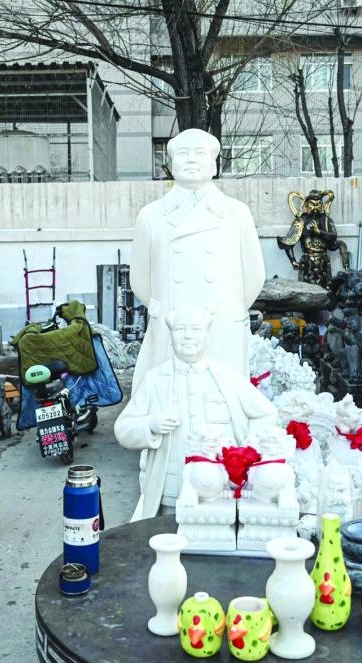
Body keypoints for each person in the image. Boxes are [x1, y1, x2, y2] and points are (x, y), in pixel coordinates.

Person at [129, 129, 266, 388]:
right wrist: (165, 308)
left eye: (200, 153)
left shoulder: (237, 213)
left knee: (222, 402)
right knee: (171, 402)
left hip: (220, 328)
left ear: (214, 163)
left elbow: (254, 275)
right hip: (173, 328)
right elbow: (140, 280)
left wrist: (230, 309)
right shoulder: (151, 216)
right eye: (183, 153)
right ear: (171, 163)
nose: (191, 159)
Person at [114, 305, 277, 521]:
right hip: (169, 493)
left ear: (207, 336)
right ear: (171, 336)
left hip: (222, 490)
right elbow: (123, 428)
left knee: (216, 545)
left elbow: (266, 414)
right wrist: (150, 424)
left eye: (196, 329)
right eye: (180, 329)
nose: (188, 336)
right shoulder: (155, 379)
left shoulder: (227, 377)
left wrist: (246, 447)